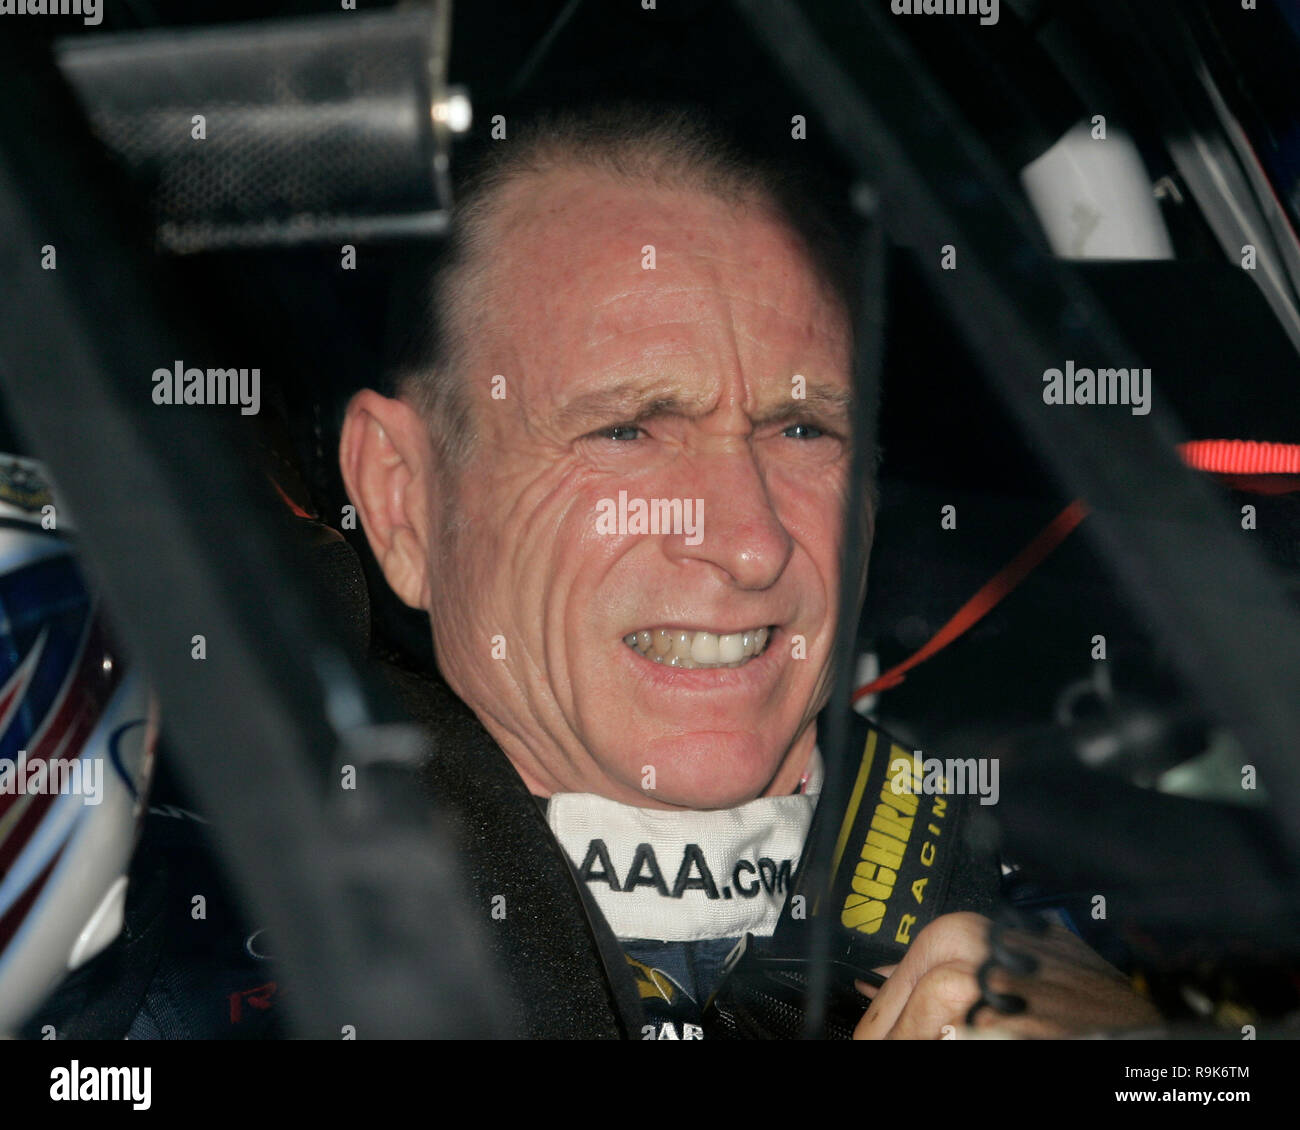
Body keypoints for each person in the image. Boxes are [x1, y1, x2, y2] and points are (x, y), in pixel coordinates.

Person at [338, 104, 1161, 1039]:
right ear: (404, 500)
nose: (750, 542)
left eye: (800, 429)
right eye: (627, 429)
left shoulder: (1088, 905)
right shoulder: (222, 941)